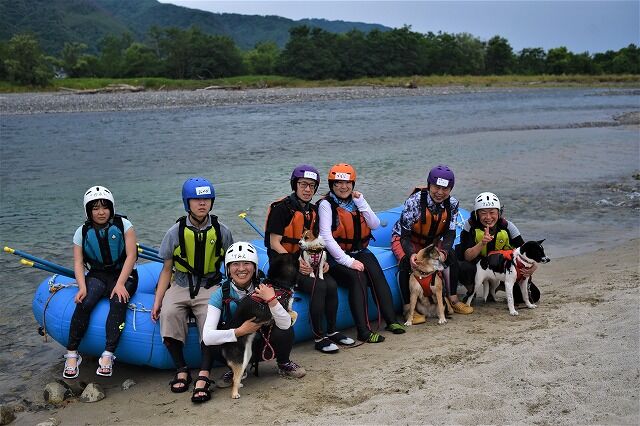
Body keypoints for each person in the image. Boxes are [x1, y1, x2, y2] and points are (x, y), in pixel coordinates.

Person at [151, 177, 233, 401]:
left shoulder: (222, 231)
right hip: (180, 284)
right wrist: (158, 301)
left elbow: (231, 265)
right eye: (196, 199)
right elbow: (166, 270)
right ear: (187, 203)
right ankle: (181, 369)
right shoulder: (174, 232)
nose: (202, 203)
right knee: (168, 314)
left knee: (210, 320)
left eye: (206, 199)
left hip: (209, 284)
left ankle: (204, 374)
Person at [264, 164, 354, 354]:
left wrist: (322, 261)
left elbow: (315, 243)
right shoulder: (281, 209)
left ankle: (331, 330)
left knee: (331, 284)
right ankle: (319, 337)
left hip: (306, 261)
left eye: (312, 186)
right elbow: (274, 243)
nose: (307, 189)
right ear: (295, 185)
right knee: (318, 286)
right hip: (284, 266)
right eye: (303, 184)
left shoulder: (312, 211)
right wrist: (296, 263)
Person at [318, 163, 406, 343]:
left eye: (348, 183)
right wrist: (348, 261)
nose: (343, 187)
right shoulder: (326, 205)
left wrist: (362, 202)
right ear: (332, 185)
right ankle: (363, 331)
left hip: (360, 250)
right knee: (358, 277)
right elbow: (326, 237)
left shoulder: (357, 201)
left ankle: (391, 321)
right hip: (335, 257)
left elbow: (374, 224)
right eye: (338, 183)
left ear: (353, 183)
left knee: (376, 273)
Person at [202, 242, 306, 393]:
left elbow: (285, 324)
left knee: (285, 325)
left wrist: (272, 300)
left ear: (255, 267)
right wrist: (241, 331)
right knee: (209, 344)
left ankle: (284, 363)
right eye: (235, 264)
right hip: (238, 344)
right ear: (228, 268)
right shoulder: (219, 295)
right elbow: (207, 337)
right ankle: (238, 368)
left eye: (246, 263)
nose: (241, 269)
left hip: (264, 344)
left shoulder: (268, 286)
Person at [63, 186, 138, 379]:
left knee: (118, 301)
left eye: (105, 207)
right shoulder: (81, 232)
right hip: (97, 274)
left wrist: (120, 284)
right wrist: (82, 287)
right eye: (95, 208)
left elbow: (131, 256)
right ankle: (72, 354)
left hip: (123, 274)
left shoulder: (124, 225)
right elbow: (78, 262)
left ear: (111, 208)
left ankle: (108, 354)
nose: (101, 212)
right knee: (85, 302)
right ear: (88, 211)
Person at [391, 164, 473, 323]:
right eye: (436, 187)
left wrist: (444, 252)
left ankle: (453, 300)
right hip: (406, 239)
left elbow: (450, 233)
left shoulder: (452, 204)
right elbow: (404, 236)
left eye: (445, 189)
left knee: (451, 256)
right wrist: (411, 254)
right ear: (429, 185)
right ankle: (408, 309)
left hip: (431, 242)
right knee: (406, 263)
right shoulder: (413, 202)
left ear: (450, 189)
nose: (440, 192)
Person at [456, 192, 539, 302]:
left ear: (499, 213)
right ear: (476, 214)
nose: (488, 217)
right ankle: (472, 290)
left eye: (492, 213)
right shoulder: (470, 226)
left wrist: (533, 267)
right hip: (478, 267)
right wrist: (482, 243)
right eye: (483, 213)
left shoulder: (508, 227)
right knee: (462, 266)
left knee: (533, 296)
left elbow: (526, 251)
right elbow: (467, 257)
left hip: (501, 270)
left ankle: (497, 286)